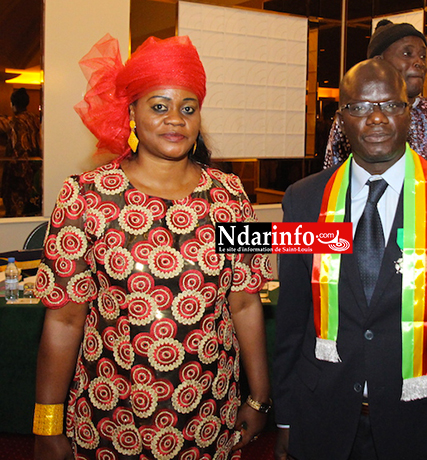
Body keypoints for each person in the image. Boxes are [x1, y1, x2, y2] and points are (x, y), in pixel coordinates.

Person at [32, 34, 273, 460]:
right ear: (130, 113)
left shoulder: (230, 196)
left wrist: (259, 397)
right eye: (159, 106)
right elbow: (65, 321)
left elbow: (245, 303)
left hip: (209, 412)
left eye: (188, 107)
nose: (175, 119)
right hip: (112, 414)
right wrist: (47, 425)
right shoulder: (85, 196)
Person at [274, 59, 427, 460]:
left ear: (409, 111)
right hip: (323, 416)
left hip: (424, 422)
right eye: (359, 107)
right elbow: (291, 320)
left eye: (391, 105)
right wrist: (284, 417)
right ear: (341, 119)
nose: (376, 118)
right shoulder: (303, 200)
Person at [324, 20, 427, 178]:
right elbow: (334, 181)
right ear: (378, 62)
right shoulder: (354, 116)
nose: (419, 62)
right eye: (407, 54)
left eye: (423, 56)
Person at [0, 87, 42, 216]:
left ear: (13, 104)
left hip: (18, 173)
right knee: (31, 207)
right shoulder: (34, 119)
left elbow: (16, 149)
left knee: (15, 209)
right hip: (34, 170)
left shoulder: (16, 121)